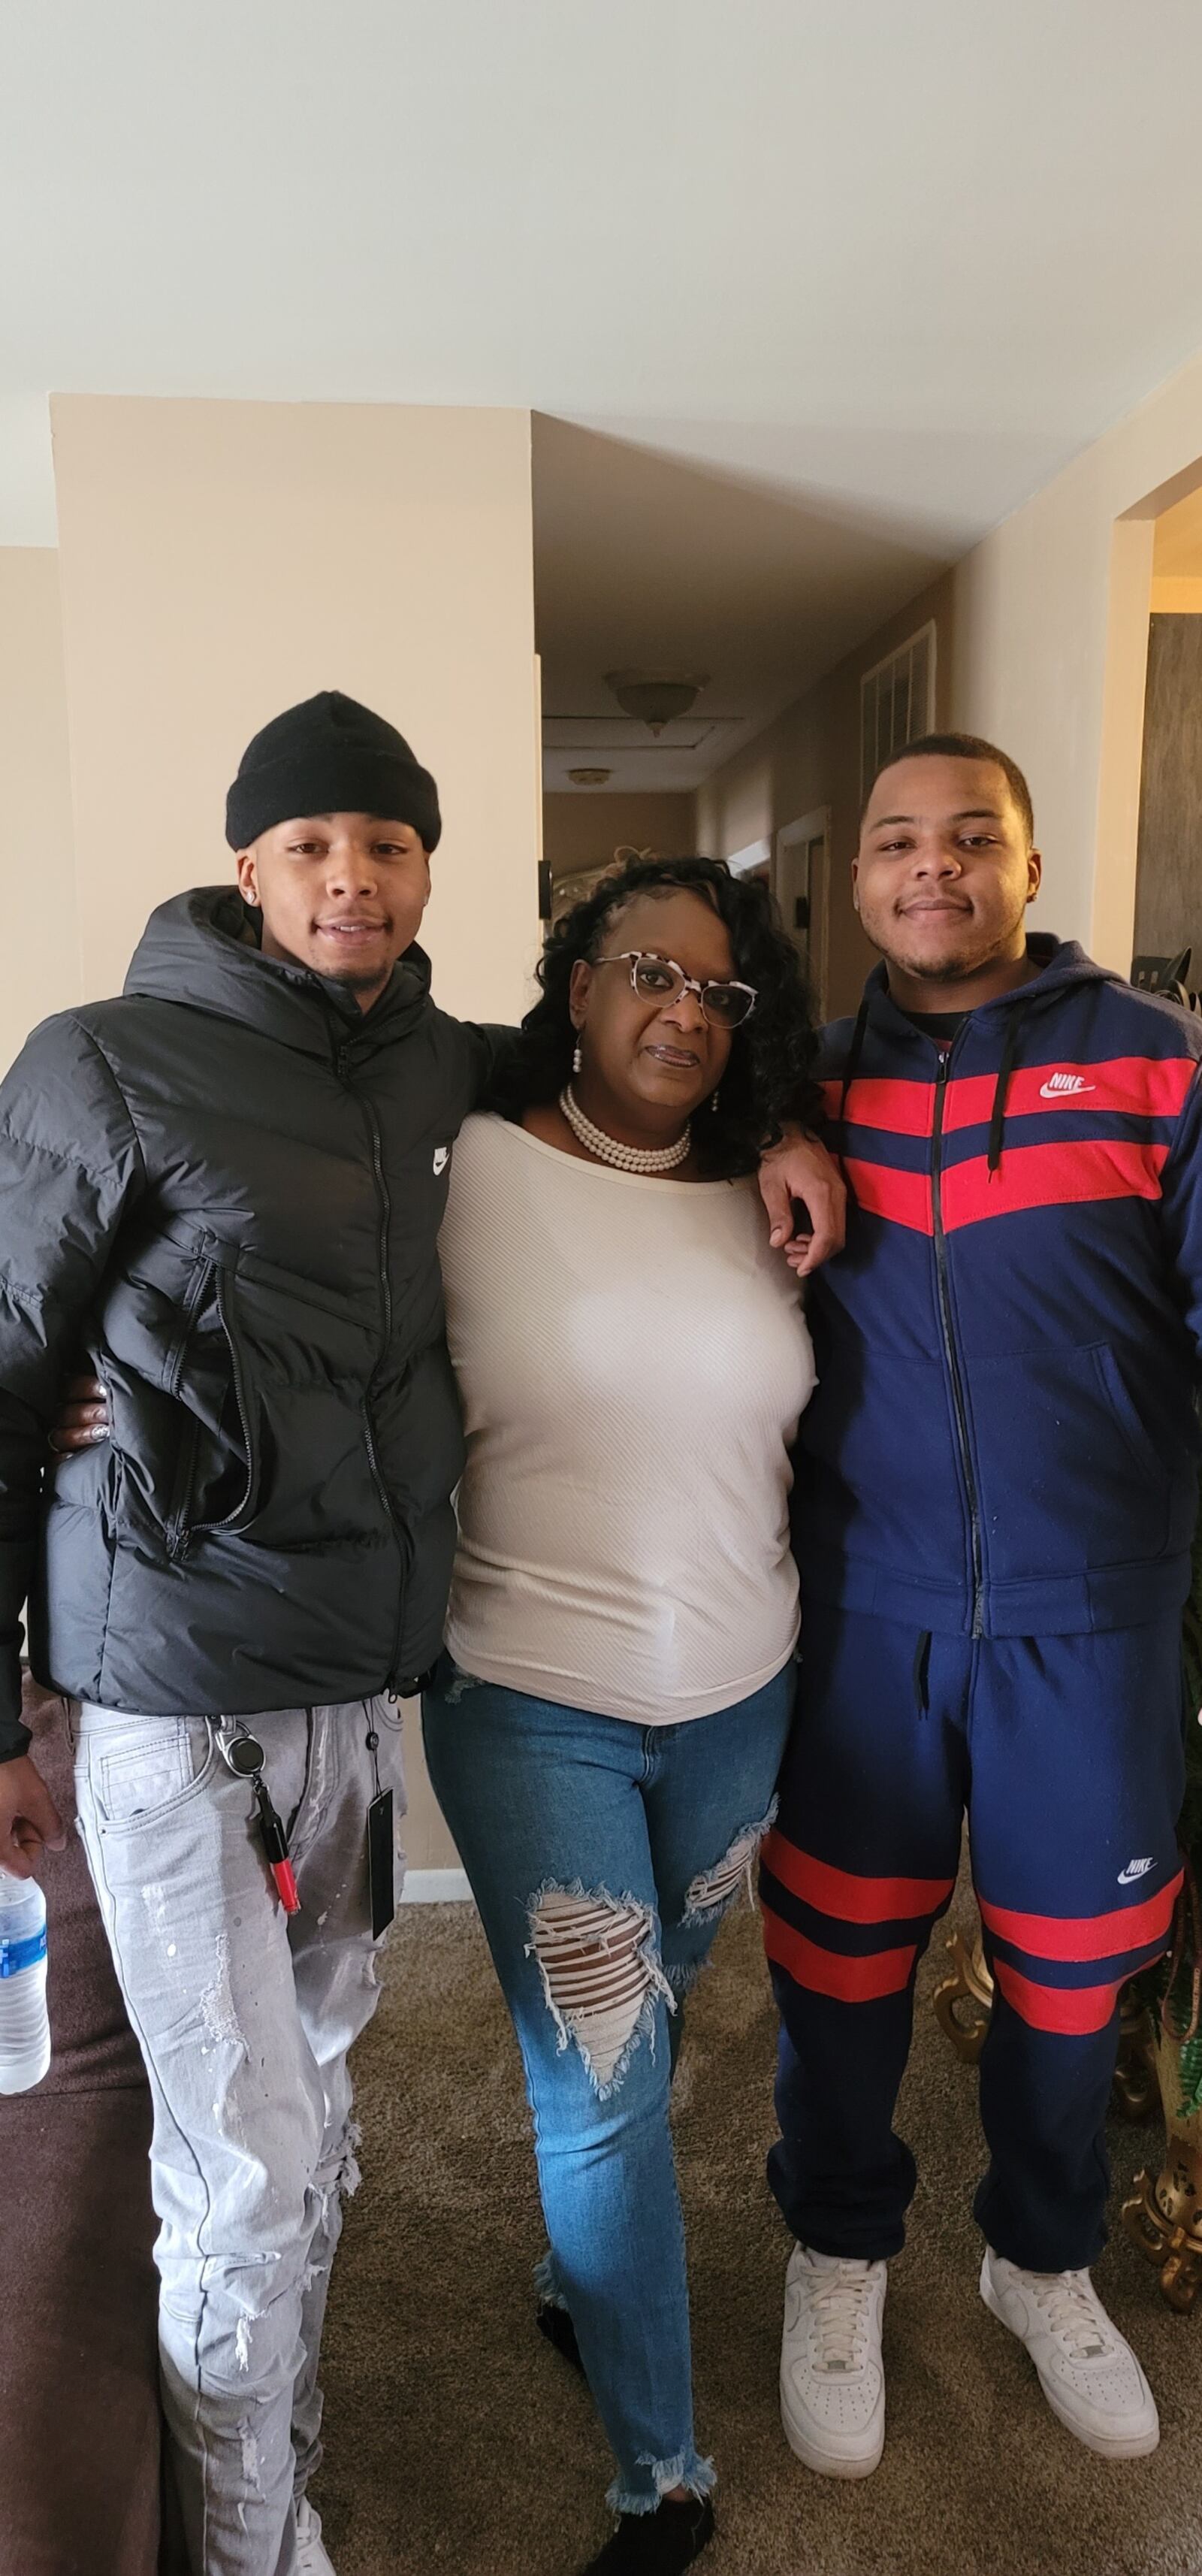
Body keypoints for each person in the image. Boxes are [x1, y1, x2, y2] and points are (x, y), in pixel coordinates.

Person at [1, 698, 841, 2576]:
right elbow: (6, 1340)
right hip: (219, 1691)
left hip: (398, 1700)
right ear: (246, 867)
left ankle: (282, 2450)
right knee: (326, 2148)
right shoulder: (122, 1059)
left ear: (428, 870)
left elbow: (671, 1051)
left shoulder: (419, 1077)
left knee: (349, 2109)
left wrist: (786, 1111)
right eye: (310, 846)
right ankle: (410, 2516)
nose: (348, 878)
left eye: (384, 846)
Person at [763, 732, 1202, 2480]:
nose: (927, 867)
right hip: (862, 1612)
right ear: (856, 879)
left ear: (1027, 863)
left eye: (968, 837)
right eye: (893, 842)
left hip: (1087, 1621)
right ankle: (838, 2242)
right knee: (841, 1960)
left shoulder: (1154, 1066)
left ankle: (1039, 2259)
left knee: (1071, 1979)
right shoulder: (789, 1090)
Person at [421, 855, 819, 2576]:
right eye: (645, 970)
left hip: (745, 1692)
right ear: (573, 983)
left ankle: (572, 2278)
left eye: (717, 993)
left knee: (661, 2014)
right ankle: (659, 2471)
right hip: (528, 1696)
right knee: (601, 2079)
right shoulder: (464, 1164)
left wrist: (796, 1126)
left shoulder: (774, 1188)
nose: (679, 1009)